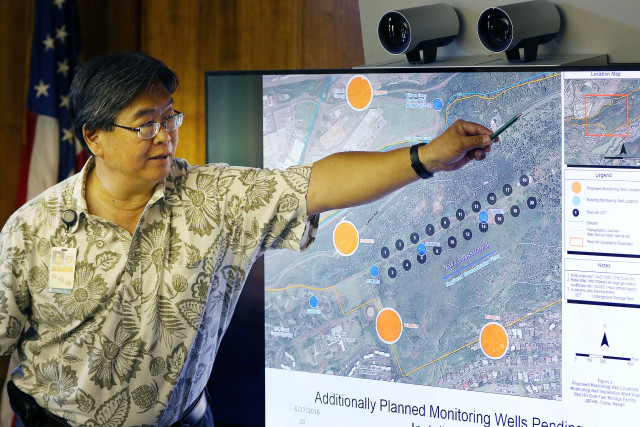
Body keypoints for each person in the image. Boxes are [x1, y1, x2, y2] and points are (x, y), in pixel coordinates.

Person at [0, 52, 493, 426]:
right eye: (146, 123)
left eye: (170, 117)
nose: (165, 136)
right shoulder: (32, 231)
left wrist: (426, 156)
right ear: (94, 137)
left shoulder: (214, 201)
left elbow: (316, 184)